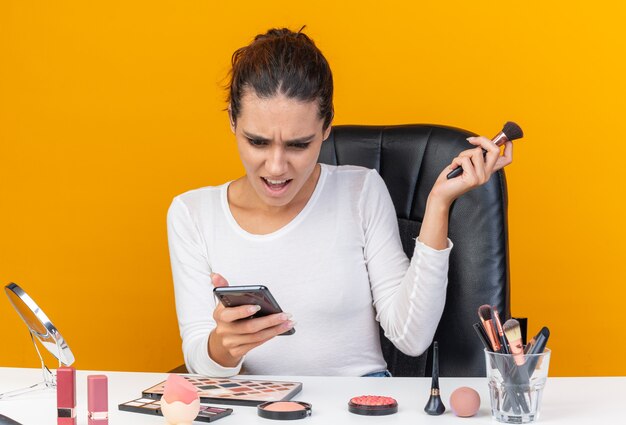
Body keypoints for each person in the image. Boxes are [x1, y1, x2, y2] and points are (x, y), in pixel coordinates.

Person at [167, 28, 513, 377]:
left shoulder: (361, 191)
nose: (275, 167)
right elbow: (201, 361)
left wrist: (438, 203)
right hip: (257, 408)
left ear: (326, 127)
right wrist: (221, 347)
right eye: (257, 142)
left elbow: (411, 337)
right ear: (232, 120)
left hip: (360, 405)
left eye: (298, 145)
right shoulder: (192, 214)